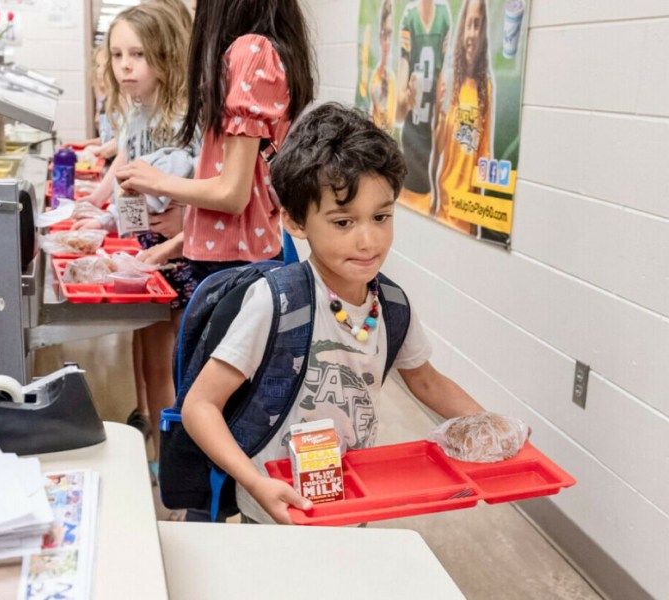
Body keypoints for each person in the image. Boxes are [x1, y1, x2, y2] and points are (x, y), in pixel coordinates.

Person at [180, 103, 509, 525]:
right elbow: (200, 406)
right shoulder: (275, 302)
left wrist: (493, 429)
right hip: (275, 508)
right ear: (296, 222)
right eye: (342, 222)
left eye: (381, 217)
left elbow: (426, 381)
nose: (368, 240)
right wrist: (256, 484)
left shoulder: (390, 304)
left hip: (352, 498)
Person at [72, 2, 199, 457]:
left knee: (167, 360)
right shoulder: (138, 110)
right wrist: (102, 213)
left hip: (178, 252)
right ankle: (144, 421)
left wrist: (185, 222)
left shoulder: (187, 117)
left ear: (165, 56)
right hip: (145, 242)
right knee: (143, 342)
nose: (125, 66)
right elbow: (125, 169)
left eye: (139, 55)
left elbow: (207, 184)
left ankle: (168, 460)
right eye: (118, 54)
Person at [114, 0, 316, 282]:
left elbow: (232, 194)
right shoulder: (259, 51)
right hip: (232, 256)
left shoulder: (250, 51)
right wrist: (174, 246)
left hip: (235, 264)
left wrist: (156, 181)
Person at [432, 0, 494, 235]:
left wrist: (478, 210)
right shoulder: (449, 82)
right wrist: (439, 115)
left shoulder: (485, 89)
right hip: (444, 210)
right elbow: (437, 150)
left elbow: (484, 155)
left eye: (477, 25)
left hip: (467, 215)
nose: (472, 33)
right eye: (468, 25)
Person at [395, 0, 452, 214]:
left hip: (435, 143)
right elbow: (399, 113)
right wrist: (407, 96)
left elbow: (444, 91)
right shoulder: (410, 17)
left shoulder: (444, 15)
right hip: (411, 141)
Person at [368, 0, 396, 134]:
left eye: (390, 35)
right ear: (380, 37)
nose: (387, 42)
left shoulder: (392, 79)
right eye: (385, 35)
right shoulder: (375, 76)